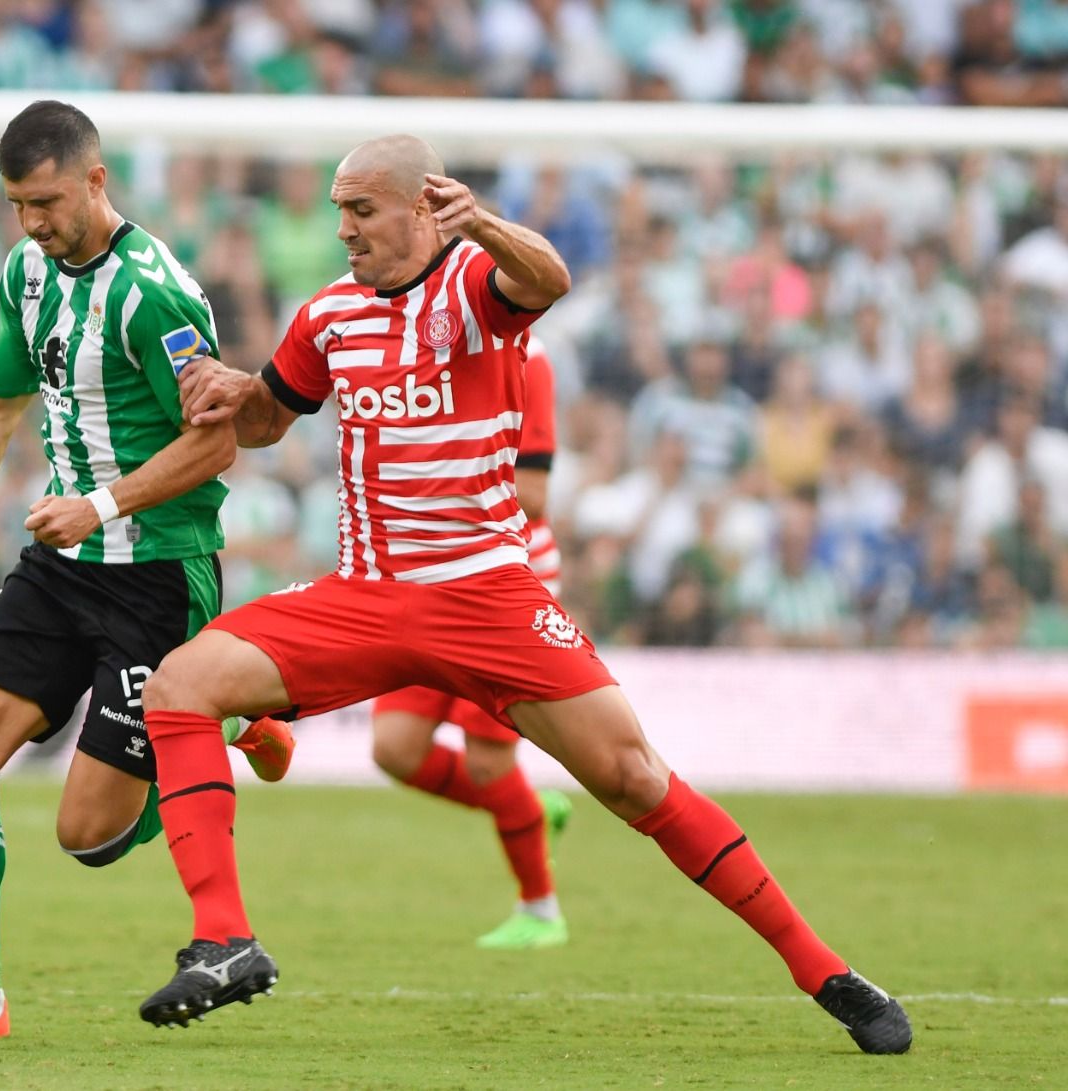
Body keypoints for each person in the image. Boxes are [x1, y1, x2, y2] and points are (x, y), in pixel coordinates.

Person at [133, 134, 912, 1056]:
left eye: (361, 210)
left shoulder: (475, 282)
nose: (342, 230)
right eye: (338, 211)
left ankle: (823, 968)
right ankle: (226, 940)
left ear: (423, 206)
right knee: (180, 686)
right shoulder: (329, 315)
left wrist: (488, 224)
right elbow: (270, 420)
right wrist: (233, 394)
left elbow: (549, 279)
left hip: (484, 595)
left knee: (633, 777)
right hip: (367, 593)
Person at [0, 101, 292, 1042]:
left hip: (157, 575)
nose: (31, 222)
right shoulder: (27, 274)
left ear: (96, 180)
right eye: (16, 204)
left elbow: (215, 447)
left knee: (89, 837)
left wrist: (99, 504)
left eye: (47, 201)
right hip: (62, 565)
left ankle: (217, 718)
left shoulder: (156, 294)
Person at [368, 336, 574, 951]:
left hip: (500, 580)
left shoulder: (527, 359)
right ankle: (528, 810)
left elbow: (534, 497)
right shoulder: (406, 350)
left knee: (489, 764)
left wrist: (435, 473)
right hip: (424, 575)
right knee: (395, 748)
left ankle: (540, 909)